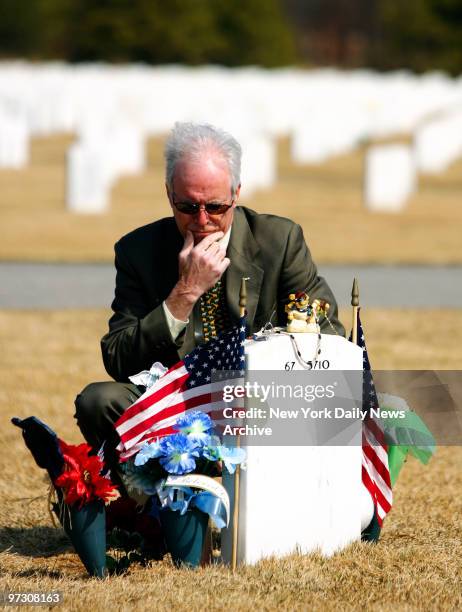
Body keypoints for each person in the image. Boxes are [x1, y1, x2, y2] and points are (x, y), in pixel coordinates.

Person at [74, 122, 345, 463]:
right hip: (175, 405)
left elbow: (329, 332)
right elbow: (118, 358)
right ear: (169, 195)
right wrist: (184, 294)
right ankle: (157, 495)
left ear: (236, 194)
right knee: (97, 401)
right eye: (187, 207)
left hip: (261, 402)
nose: (201, 220)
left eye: (215, 207)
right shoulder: (138, 251)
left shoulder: (280, 241)